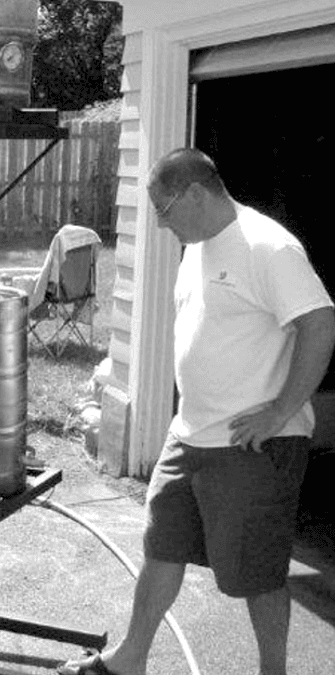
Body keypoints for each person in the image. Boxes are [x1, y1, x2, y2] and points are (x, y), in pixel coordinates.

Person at [59, 148, 335, 675]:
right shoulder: (199, 246)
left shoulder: (268, 248)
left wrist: (280, 411)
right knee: (162, 547)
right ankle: (129, 661)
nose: (160, 223)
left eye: (163, 210)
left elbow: (319, 324)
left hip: (251, 446)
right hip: (189, 437)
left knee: (258, 573)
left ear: (193, 194)